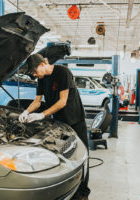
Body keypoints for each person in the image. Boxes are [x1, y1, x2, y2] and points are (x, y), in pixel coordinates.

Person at [18, 53, 90, 200]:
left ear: (42, 64)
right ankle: (67, 189)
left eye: (34, 71)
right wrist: (26, 111)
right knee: (64, 157)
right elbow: (37, 101)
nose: (35, 74)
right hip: (60, 122)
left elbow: (63, 101)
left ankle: (82, 193)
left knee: (82, 156)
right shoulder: (42, 79)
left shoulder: (62, 72)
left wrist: (42, 115)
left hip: (75, 120)